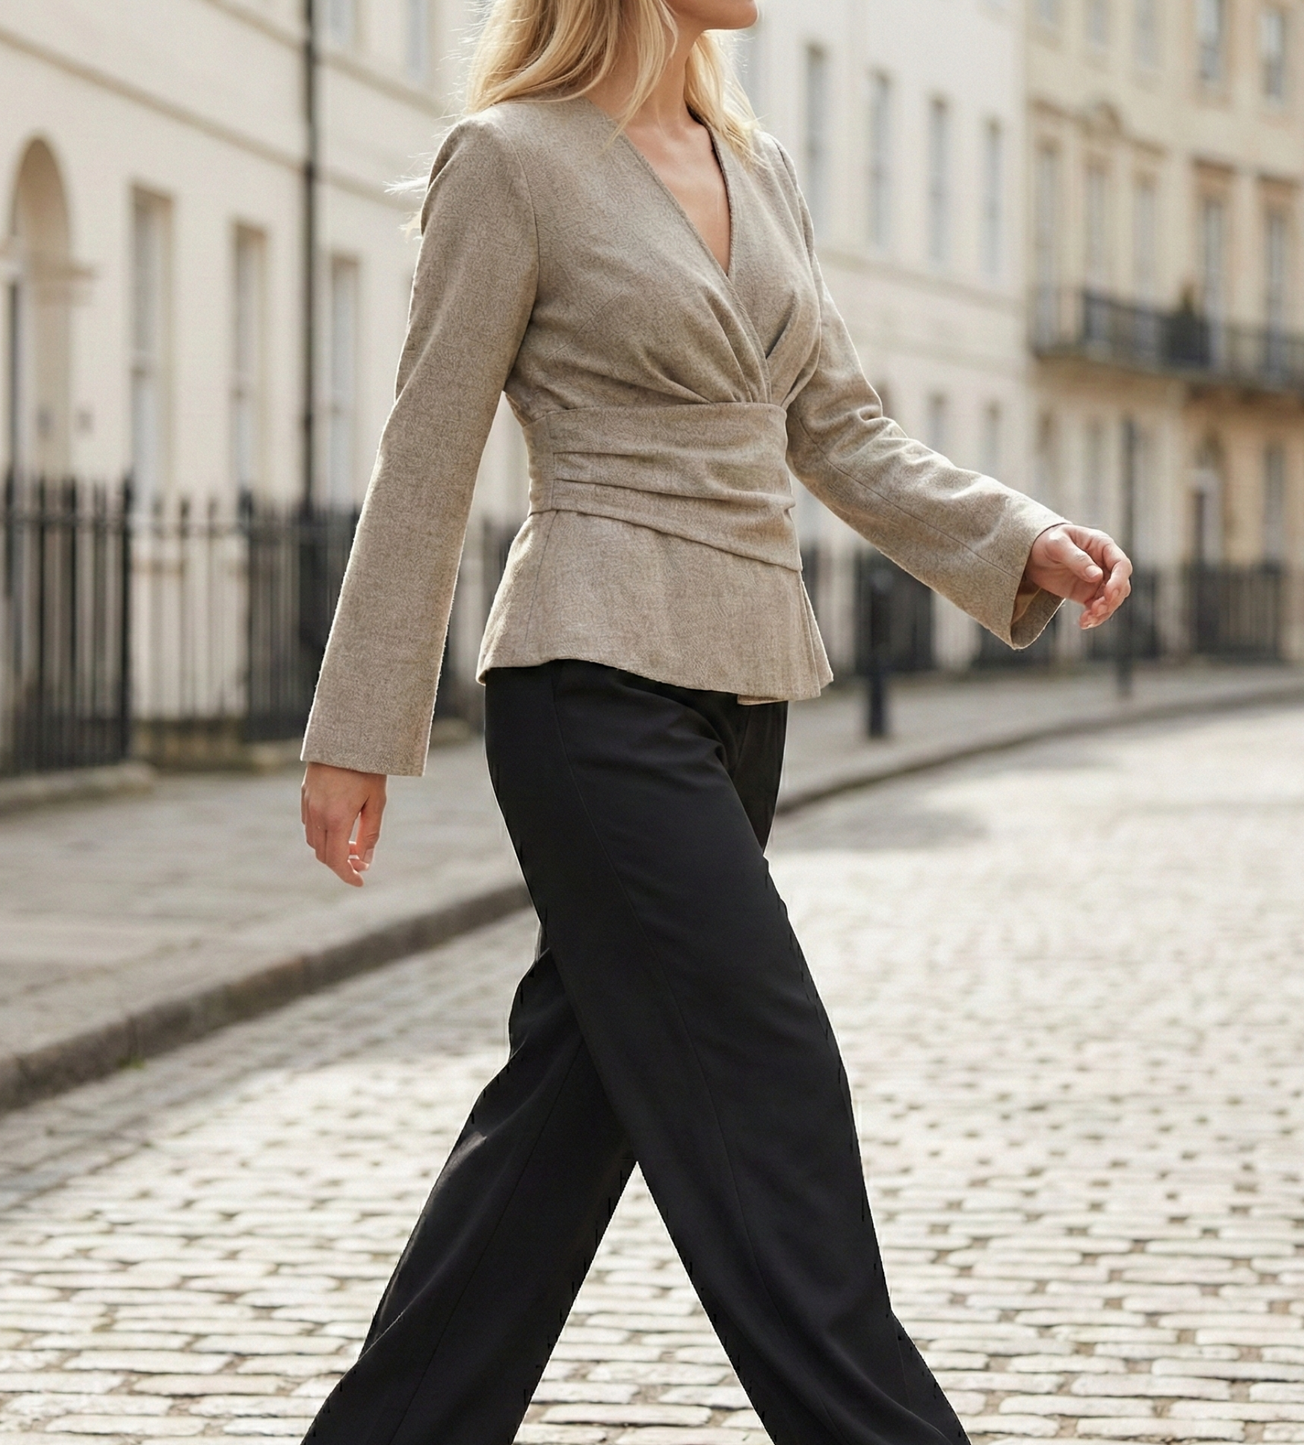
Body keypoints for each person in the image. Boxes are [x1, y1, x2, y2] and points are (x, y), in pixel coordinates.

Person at [297, 1, 1133, 1440]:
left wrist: (1017, 535)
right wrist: (356, 725)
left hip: (742, 692)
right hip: (590, 688)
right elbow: (427, 447)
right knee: (770, 1086)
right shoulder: (510, 161)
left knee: (561, 1127)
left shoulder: (761, 168)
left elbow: (841, 426)